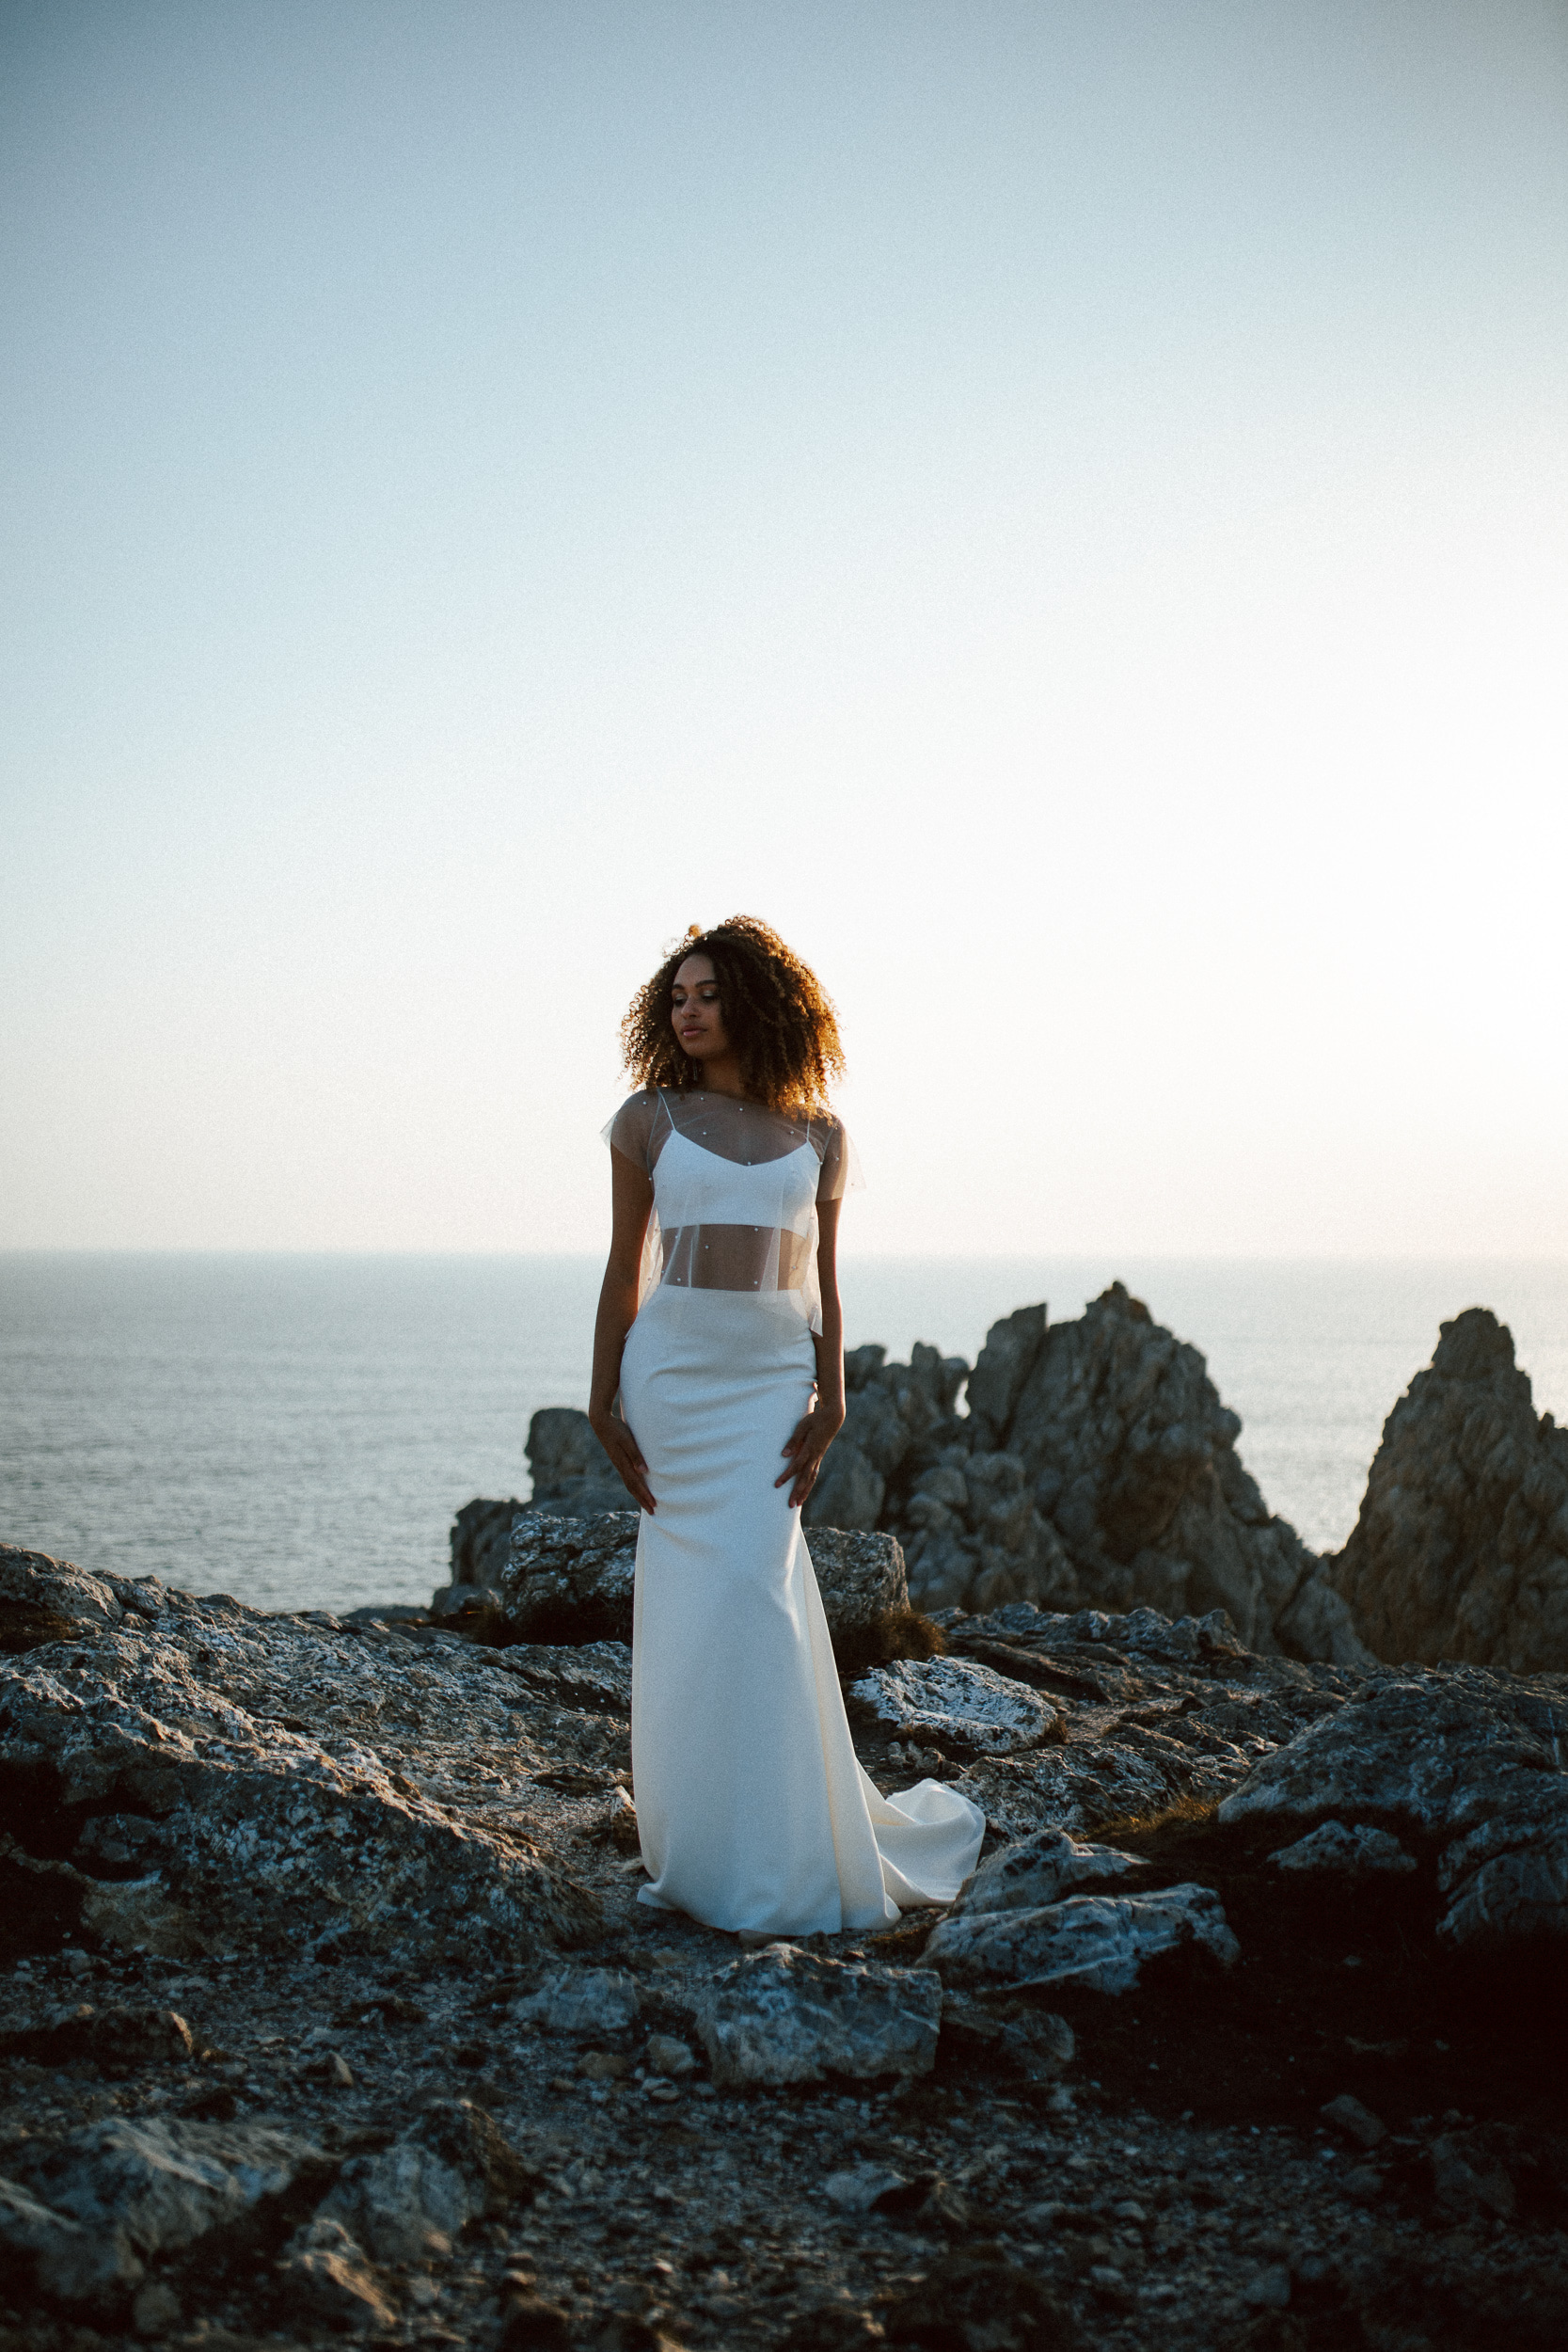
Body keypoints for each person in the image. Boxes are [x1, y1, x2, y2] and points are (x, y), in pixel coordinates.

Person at [590, 914, 984, 1935]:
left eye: (707, 992)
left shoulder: (821, 1135)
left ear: (755, 1003)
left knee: (756, 1598)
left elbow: (822, 1279)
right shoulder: (648, 1120)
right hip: (673, 1377)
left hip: (768, 1382)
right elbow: (625, 1264)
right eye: (675, 995)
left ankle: (778, 1852)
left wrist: (834, 1390)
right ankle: (703, 1850)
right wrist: (600, 1393)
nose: (687, 1010)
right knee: (692, 1605)